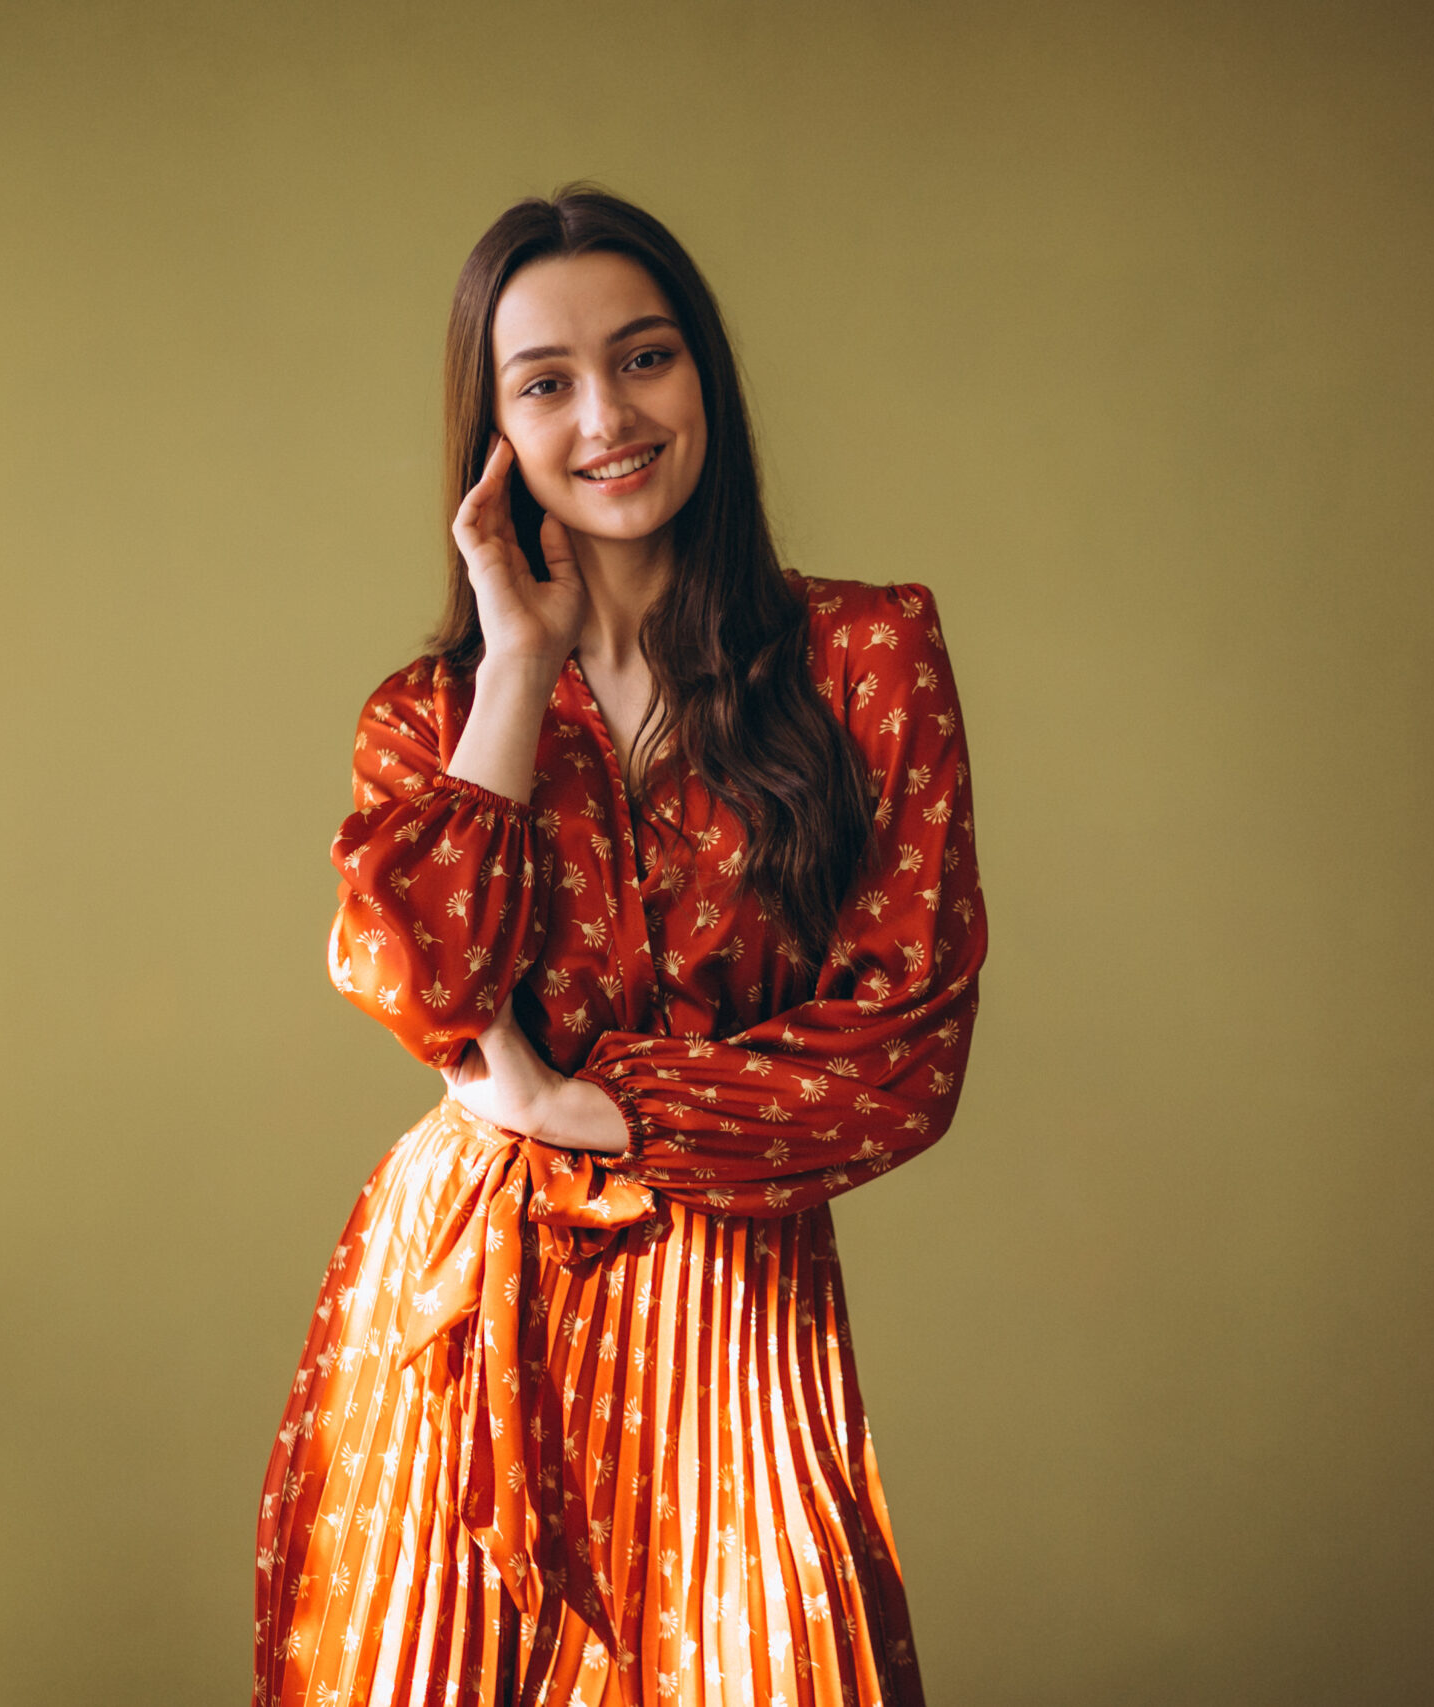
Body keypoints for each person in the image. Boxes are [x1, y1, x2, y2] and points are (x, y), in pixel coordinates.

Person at [253, 185, 985, 1707]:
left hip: (738, 1316)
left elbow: (901, 1050)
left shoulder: (865, 658)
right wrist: (513, 665)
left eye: (644, 358)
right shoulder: (428, 718)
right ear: (495, 433)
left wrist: (602, 1111)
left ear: (702, 374)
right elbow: (421, 985)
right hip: (469, 1316)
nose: (607, 413)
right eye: (546, 383)